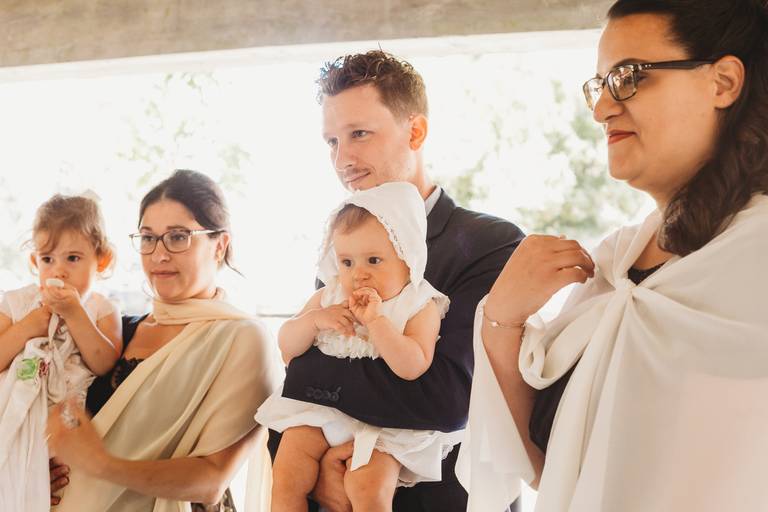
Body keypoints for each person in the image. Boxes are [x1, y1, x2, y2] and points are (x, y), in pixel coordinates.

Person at [457, 1, 768, 510]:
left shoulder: (757, 258)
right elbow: (552, 467)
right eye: (599, 84)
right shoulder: (613, 264)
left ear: (723, 82)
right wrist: (502, 318)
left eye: (630, 77)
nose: (603, 107)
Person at [269, 50, 525, 512]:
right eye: (331, 141)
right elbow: (296, 380)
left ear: (416, 131)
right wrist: (322, 481)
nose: (343, 158)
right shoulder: (342, 253)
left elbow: (445, 400)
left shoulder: (492, 244)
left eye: (359, 134)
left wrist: (312, 375)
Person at [46, 170, 282, 511]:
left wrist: (101, 466)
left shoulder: (242, 338)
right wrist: (44, 470)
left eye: (178, 237)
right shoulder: (113, 335)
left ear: (220, 245)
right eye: (147, 238)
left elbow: (211, 480)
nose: (159, 254)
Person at [259, 182, 462, 511]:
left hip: (386, 423)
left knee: (368, 488)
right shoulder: (329, 296)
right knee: (288, 473)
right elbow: (286, 347)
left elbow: (413, 365)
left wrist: (378, 323)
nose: (359, 275)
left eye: (373, 260)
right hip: (321, 414)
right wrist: (312, 322)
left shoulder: (419, 304)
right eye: (347, 262)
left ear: (407, 257)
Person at [0, 194, 122, 511]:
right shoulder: (15, 304)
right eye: (48, 259)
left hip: (61, 426)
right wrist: (26, 327)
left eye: (73, 258)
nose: (60, 270)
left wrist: (75, 314)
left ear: (102, 260)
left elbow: (105, 361)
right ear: (34, 262)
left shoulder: (101, 310)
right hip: (11, 410)